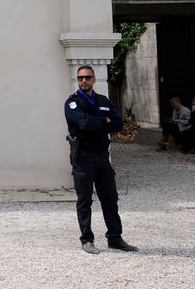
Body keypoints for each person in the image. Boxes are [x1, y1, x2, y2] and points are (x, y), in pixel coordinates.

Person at [64, 65, 138, 254]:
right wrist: (103, 121)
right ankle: (87, 240)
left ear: (94, 79)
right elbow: (82, 123)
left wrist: (96, 122)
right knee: (84, 200)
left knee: (110, 199)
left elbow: (118, 123)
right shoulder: (73, 103)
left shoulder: (103, 100)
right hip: (83, 157)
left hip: (102, 156)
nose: (84, 81)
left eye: (87, 77)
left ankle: (115, 238)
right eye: (80, 78)